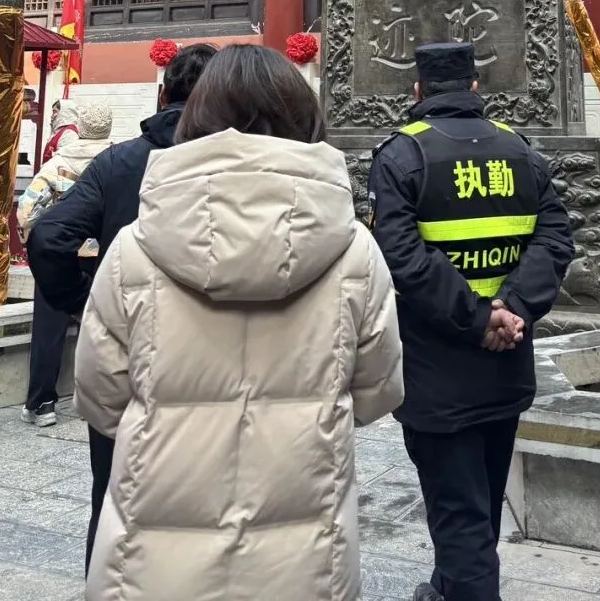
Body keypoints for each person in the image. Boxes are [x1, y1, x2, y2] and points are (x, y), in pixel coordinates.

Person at [75, 44, 402, 601]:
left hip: (154, 558)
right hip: (305, 559)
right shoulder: (355, 252)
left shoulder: (134, 248)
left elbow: (100, 395)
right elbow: (378, 391)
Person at [368, 42, 575, 601]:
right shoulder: (520, 150)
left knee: (459, 514)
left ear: (418, 91)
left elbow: (401, 258)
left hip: (438, 373)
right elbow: (556, 238)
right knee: (480, 501)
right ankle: (446, 587)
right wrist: (513, 309)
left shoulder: (401, 156)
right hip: (507, 361)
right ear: (476, 88)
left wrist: (479, 317)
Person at [27, 43, 216, 569]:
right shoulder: (238, 168)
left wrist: (83, 302)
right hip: (211, 356)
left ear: (161, 95)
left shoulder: (121, 162)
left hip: (130, 347)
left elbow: (49, 236)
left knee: (113, 495)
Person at [19, 101, 113, 426]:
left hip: (61, 254)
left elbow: (26, 209)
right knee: (106, 327)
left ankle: (42, 403)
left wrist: (36, 237)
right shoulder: (118, 162)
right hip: (104, 256)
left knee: (48, 331)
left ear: (80, 126)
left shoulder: (58, 164)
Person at [42, 98, 79, 165]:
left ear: (64, 113)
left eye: (55, 112)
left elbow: (63, 161)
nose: (52, 115)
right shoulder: (60, 131)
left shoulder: (69, 134)